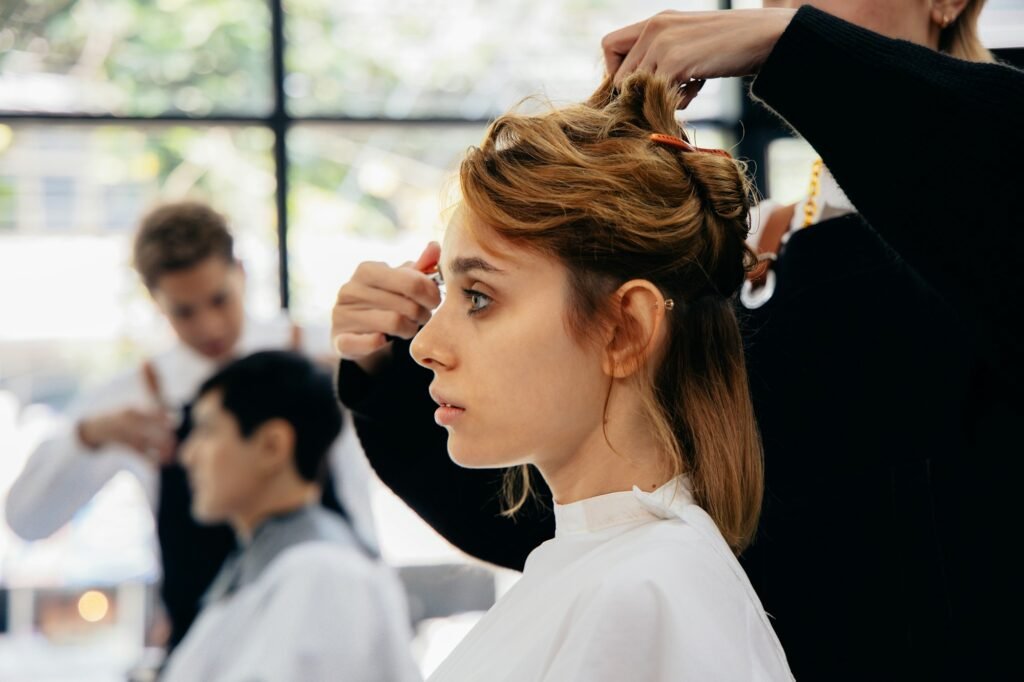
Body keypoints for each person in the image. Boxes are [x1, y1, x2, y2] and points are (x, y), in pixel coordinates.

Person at [332, 2, 1023, 679]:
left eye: (479, 297)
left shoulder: (983, 222)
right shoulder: (786, 246)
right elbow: (582, 481)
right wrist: (387, 368)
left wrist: (794, 44)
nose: (780, 3)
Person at [359, 73, 792, 680]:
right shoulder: (617, 572)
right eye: (442, 293)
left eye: (478, 297)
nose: (425, 345)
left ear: (625, 329)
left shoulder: (641, 596)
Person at [5, 201, 378, 648]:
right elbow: (27, 520)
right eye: (184, 311)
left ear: (240, 271)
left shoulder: (324, 355)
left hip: (336, 617)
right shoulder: (136, 400)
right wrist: (89, 436)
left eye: (220, 299)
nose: (209, 326)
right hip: (208, 639)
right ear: (155, 301)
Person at [160, 350, 419, 682]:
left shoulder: (322, 573)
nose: (187, 454)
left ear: (272, 445)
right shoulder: (273, 562)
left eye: (207, 431)